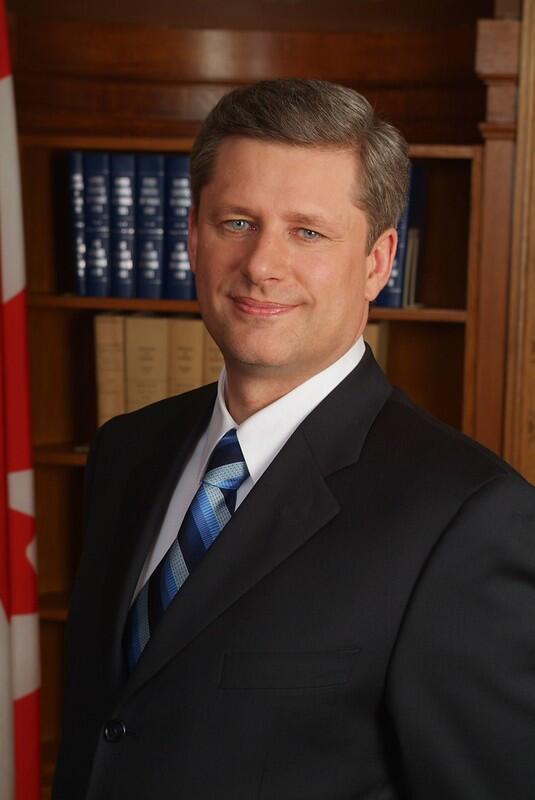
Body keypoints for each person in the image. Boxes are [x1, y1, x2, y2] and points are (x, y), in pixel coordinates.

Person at [53, 79, 535, 800]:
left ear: (377, 262)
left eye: (307, 231)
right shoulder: (126, 451)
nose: (261, 266)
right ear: (193, 237)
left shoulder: (465, 517)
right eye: (236, 222)